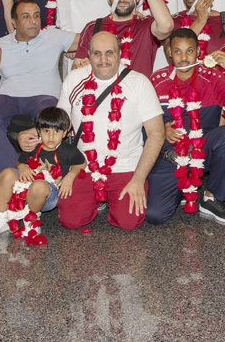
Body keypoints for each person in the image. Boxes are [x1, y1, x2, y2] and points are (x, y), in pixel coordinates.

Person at [56, 31, 166, 230]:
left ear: (120, 54)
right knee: (70, 220)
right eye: (97, 53)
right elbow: (57, 126)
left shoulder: (139, 82)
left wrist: (138, 179)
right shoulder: (74, 79)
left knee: (128, 222)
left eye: (109, 53)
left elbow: (157, 134)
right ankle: (94, 199)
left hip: (125, 166)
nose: (103, 59)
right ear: (88, 55)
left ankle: (112, 198)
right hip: (83, 166)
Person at [145, 28, 225, 225]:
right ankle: (180, 190)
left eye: (189, 51)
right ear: (169, 52)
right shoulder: (156, 80)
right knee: (155, 215)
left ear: (198, 52)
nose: (184, 57)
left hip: (201, 151)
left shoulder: (213, 77)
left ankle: (210, 199)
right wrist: (162, 129)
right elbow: (141, 121)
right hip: (169, 158)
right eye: (178, 51)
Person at [0, 0, 79, 174]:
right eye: (26, 16)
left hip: (44, 95)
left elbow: (89, 39)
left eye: (36, 15)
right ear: (14, 23)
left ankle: (42, 173)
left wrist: (80, 53)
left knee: (50, 115)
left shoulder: (53, 36)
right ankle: (13, 172)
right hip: (8, 96)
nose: (33, 20)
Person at [0, 107, 86, 239]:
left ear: (64, 133)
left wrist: (70, 176)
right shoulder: (34, 146)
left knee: (38, 186)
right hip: (24, 189)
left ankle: (31, 219)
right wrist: (22, 166)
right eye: (46, 131)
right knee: (6, 173)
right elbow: (19, 163)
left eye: (57, 131)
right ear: (39, 132)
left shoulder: (68, 150)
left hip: (47, 194)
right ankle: (2, 216)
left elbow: (81, 163)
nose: (51, 137)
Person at [72, 0, 174, 77]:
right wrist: (83, 67)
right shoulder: (92, 28)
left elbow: (167, 26)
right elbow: (76, 69)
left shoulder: (146, 26)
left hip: (137, 92)